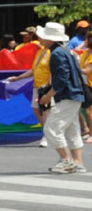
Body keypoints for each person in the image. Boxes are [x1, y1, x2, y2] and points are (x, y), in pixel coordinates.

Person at [26, 22, 85, 173]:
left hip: (66, 95)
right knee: (72, 130)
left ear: (50, 38)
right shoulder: (67, 51)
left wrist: (48, 96)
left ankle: (66, 160)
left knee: (51, 128)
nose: (42, 39)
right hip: (75, 93)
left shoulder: (57, 53)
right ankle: (77, 162)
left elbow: (61, 78)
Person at [7, 26, 55, 149]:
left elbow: (52, 70)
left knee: (45, 110)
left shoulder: (51, 52)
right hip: (37, 86)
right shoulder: (40, 52)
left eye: (41, 37)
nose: (39, 39)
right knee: (36, 109)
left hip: (45, 86)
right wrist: (18, 78)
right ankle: (49, 132)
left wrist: (50, 85)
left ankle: (47, 136)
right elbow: (33, 70)